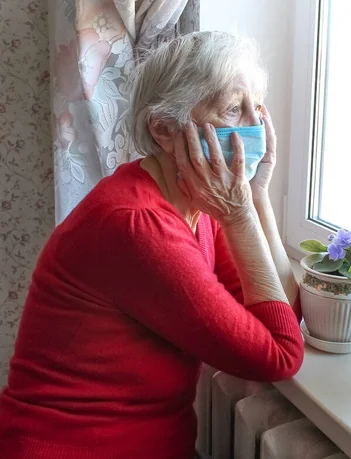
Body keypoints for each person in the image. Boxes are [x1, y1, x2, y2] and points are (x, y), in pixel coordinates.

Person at [0, 31, 303, 458]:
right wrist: (238, 214)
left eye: (258, 106)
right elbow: (279, 354)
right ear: (164, 129)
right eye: (234, 109)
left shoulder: (196, 205)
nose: (255, 125)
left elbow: (283, 311)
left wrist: (255, 197)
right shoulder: (136, 225)